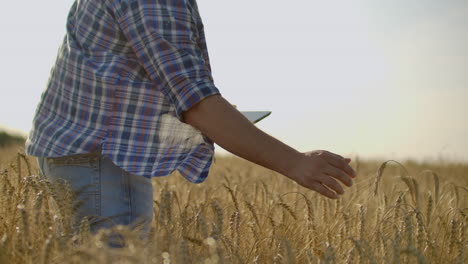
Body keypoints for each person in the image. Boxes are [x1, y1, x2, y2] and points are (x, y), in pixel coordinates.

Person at [26, 0, 356, 239]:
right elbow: (195, 102)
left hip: (77, 149)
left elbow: (126, 78)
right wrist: (295, 162)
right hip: (102, 160)